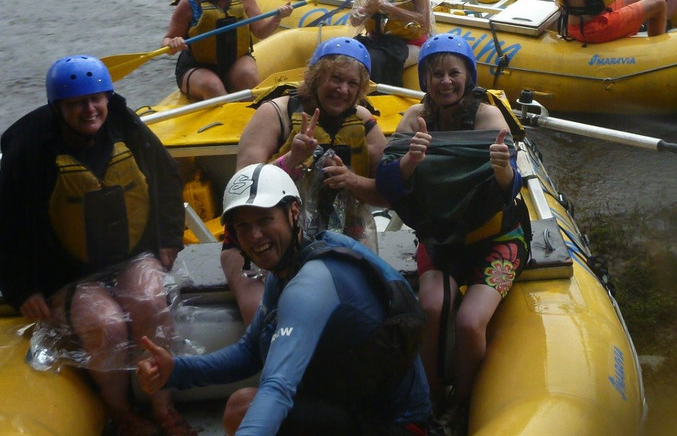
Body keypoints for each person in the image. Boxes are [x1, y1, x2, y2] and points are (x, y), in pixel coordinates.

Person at [136, 163, 431, 436]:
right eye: (242, 227)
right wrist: (178, 371)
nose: (254, 236)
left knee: (244, 409)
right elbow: (250, 351)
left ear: (293, 212)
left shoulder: (312, 281)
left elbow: (278, 388)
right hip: (358, 404)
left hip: (396, 425)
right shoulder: (291, 262)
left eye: (265, 220)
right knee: (242, 405)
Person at [0, 55, 192, 436]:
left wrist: (169, 238)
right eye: (76, 103)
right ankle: (123, 413)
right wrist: (21, 288)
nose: (89, 109)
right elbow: (5, 225)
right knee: (106, 324)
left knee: (149, 300)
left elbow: (166, 175)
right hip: (65, 270)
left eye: (96, 99)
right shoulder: (30, 146)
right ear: (58, 107)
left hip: (131, 254)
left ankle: (163, 406)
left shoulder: (124, 125)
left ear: (107, 98)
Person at [375, 34, 528, 426]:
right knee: (430, 307)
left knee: (469, 322)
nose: (445, 81)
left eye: (454, 73)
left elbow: (508, 186)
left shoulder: (487, 117)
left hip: (495, 240)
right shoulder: (414, 117)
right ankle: (426, 401)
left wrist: (501, 167)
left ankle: (464, 403)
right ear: (425, 78)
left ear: (468, 77)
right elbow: (390, 183)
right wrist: (410, 160)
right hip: (440, 240)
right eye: (436, 74)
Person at [223, 37, 388, 325]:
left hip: (338, 234)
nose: (343, 90)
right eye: (335, 79)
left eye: (352, 84)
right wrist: (292, 159)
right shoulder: (276, 113)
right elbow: (242, 186)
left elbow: (385, 195)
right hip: (261, 236)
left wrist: (351, 180)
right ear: (315, 76)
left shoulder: (364, 121)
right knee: (261, 314)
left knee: (366, 309)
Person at [164, 0, 293, 100]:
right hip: (197, 66)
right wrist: (173, 43)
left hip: (235, 61)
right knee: (213, 87)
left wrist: (276, 18)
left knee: (249, 77)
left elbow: (260, 32)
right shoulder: (189, 3)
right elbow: (167, 43)